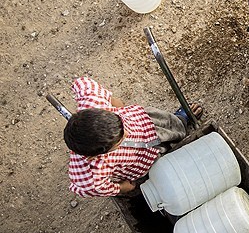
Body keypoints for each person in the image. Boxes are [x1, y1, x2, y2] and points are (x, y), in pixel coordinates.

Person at [63, 76, 203, 198]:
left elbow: (84, 85)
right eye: (120, 140)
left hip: (142, 122)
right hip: (139, 157)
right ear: (94, 156)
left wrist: (119, 107)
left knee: (169, 124)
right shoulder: (91, 172)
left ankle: (181, 121)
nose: (127, 134)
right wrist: (123, 187)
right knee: (162, 161)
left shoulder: (92, 102)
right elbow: (95, 187)